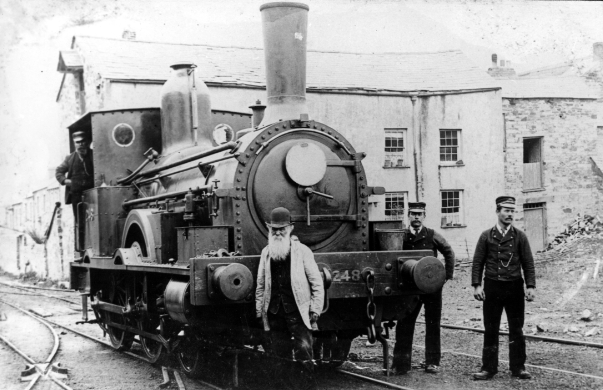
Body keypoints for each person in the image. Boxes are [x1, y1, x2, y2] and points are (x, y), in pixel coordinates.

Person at [255, 207, 324, 390]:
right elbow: (261, 285)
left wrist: (315, 309)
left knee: (304, 355)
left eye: (282, 229)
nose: (278, 232)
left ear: (290, 228)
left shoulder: (303, 252)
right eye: (274, 229)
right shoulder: (266, 253)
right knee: (278, 358)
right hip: (275, 313)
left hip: (298, 312)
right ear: (269, 229)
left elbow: (316, 282)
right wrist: (259, 310)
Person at [471, 196, 535, 380]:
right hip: (492, 286)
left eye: (512, 211)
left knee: (517, 328)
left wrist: (530, 286)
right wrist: (477, 285)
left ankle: (518, 368)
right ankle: (488, 368)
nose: (510, 214)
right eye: (506, 210)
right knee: (491, 328)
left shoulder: (520, 236)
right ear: (497, 211)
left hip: (514, 287)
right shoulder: (486, 236)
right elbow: (478, 262)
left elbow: (528, 263)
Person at [392, 202, 455, 375]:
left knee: (433, 324)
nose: (416, 217)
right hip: (409, 288)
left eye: (420, 214)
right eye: (413, 213)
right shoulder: (401, 236)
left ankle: (432, 362)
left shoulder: (433, 235)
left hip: (431, 286)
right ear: (408, 215)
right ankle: (401, 362)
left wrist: (446, 276)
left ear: (424, 216)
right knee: (405, 323)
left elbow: (448, 252)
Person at [55, 131, 94, 218]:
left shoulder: (94, 155)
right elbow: (58, 172)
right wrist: (65, 181)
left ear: (87, 142)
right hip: (76, 196)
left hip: (93, 194)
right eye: (78, 142)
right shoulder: (70, 158)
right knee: (79, 222)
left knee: (93, 219)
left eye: (83, 141)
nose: (81, 144)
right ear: (74, 143)